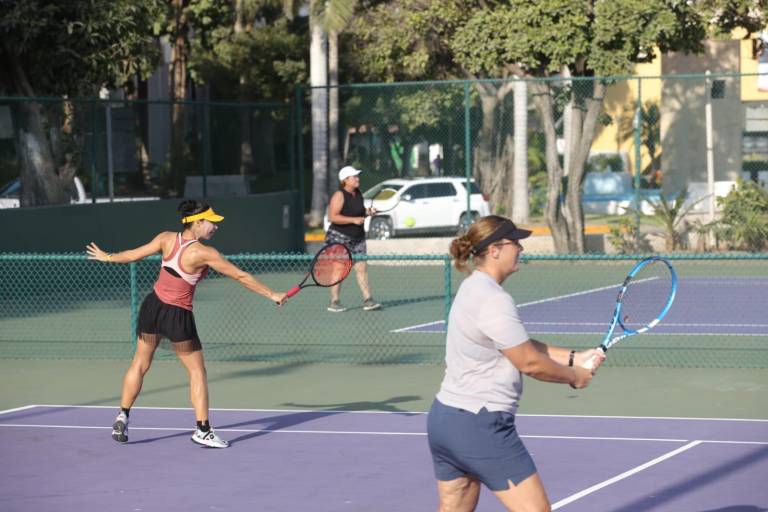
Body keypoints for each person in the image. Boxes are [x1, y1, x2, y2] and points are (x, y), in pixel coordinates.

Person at [426, 215, 606, 511]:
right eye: (515, 243)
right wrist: (574, 376)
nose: (521, 248)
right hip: (480, 425)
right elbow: (529, 363)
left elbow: (516, 345)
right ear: (495, 250)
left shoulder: (472, 287)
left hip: (445, 421)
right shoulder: (494, 299)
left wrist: (575, 356)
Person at [86, 200, 286, 448]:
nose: (215, 227)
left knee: (139, 363)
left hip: (152, 307)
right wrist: (272, 294)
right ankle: (203, 429)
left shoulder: (166, 238)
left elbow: (132, 255)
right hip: (177, 315)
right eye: (211, 223)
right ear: (197, 222)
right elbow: (240, 275)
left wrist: (107, 257)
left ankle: (122, 416)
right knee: (196, 371)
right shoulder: (204, 253)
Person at [325, 165, 381, 313]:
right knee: (340, 268)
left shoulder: (358, 193)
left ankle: (368, 300)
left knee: (362, 267)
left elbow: (359, 212)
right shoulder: (339, 195)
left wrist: (369, 212)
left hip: (358, 238)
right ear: (345, 180)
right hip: (339, 238)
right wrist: (353, 220)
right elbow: (333, 217)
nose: (357, 179)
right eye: (354, 177)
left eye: (357, 176)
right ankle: (334, 302)